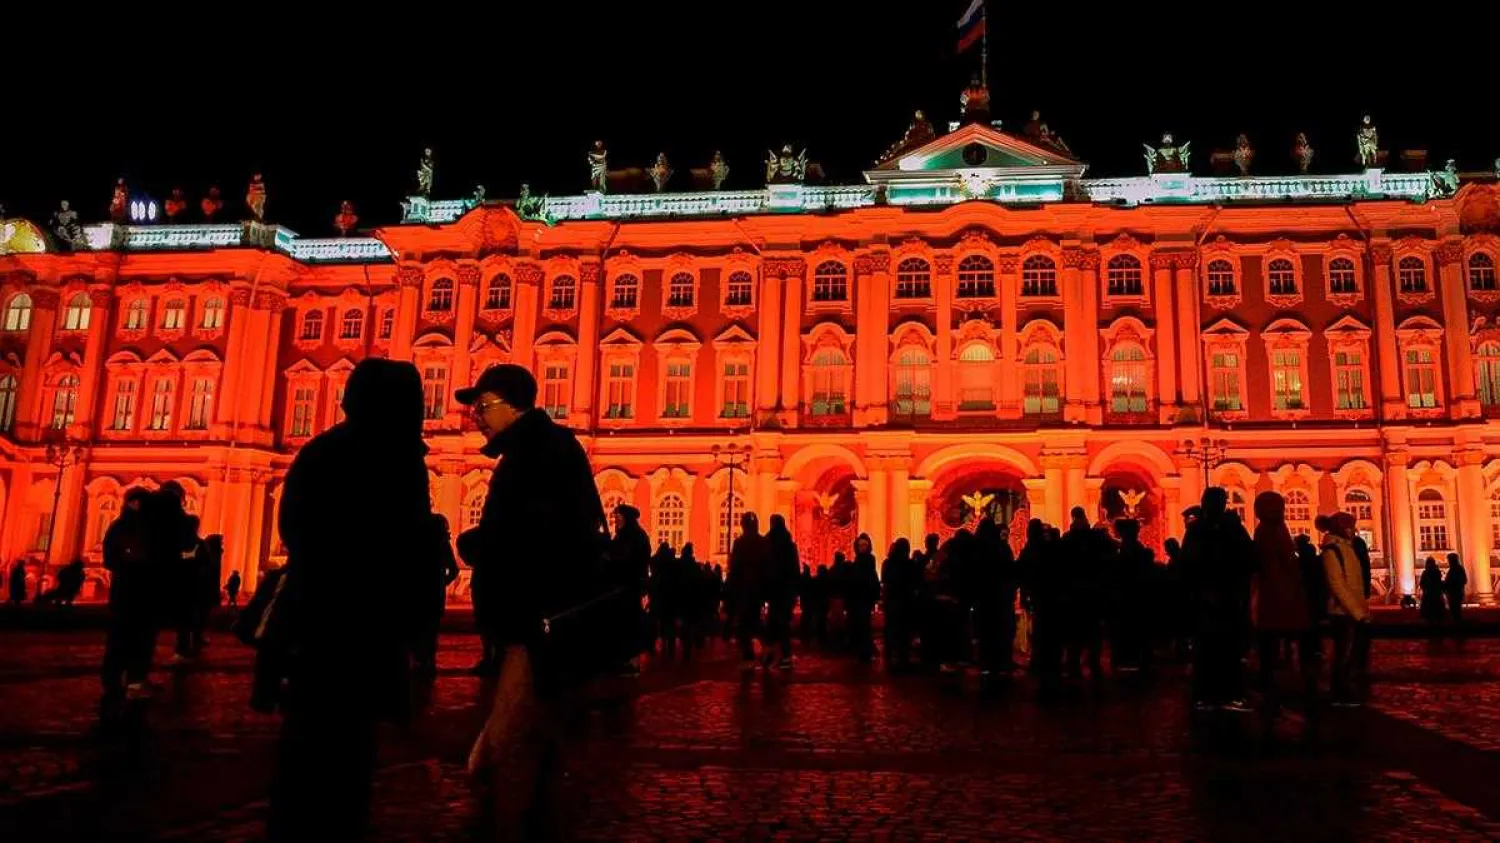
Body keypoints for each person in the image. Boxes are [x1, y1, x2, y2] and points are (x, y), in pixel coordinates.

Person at [269, 358, 436, 841]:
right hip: (366, 620)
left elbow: (294, 527)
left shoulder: (322, 450)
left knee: (309, 740)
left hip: (317, 612)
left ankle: (297, 823)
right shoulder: (397, 457)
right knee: (349, 747)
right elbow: (409, 539)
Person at [456, 363, 614, 838]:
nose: (476, 417)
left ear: (513, 405)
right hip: (542, 614)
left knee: (514, 736)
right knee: (541, 727)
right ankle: (540, 812)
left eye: (483, 406)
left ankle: (514, 818)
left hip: (538, 615)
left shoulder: (534, 452)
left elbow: (540, 532)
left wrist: (482, 544)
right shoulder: (544, 446)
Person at [1249, 492, 1318, 734]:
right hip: (1283, 595)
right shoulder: (1277, 530)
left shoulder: (1262, 531)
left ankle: (1271, 685)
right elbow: (1288, 561)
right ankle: (1299, 685)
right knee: (1293, 637)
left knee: (1270, 642)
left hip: (1270, 596)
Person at [1180, 488, 1254, 712]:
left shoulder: (1197, 531)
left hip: (1212, 598)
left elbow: (1188, 564)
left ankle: (1207, 694)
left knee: (1209, 650)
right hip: (1227, 598)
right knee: (1225, 650)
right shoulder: (1235, 530)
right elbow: (1247, 560)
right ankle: (1226, 694)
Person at [101, 487, 156, 708]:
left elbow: (110, 559)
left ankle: (119, 679)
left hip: (128, 590)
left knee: (124, 636)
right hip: (135, 590)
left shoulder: (120, 527)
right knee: (135, 637)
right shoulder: (135, 528)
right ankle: (125, 680)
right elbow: (111, 558)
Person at [1322, 512, 1369, 707]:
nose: (1353, 530)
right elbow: (1337, 583)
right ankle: (1340, 693)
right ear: (1341, 527)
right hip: (1342, 611)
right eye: (1350, 526)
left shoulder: (1346, 547)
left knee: (1349, 653)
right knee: (1343, 654)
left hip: (1351, 609)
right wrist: (1357, 612)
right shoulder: (1332, 550)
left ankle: (1345, 690)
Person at [413, 514, 460, 679]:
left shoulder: (419, 545)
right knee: (432, 628)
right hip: (436, 591)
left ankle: (422, 660)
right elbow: (454, 570)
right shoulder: (443, 545)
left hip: (420, 591)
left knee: (420, 625)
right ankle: (429, 662)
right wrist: (443, 582)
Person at [1113, 519, 1156, 675]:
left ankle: (1132, 658)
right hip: (1134, 596)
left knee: (1132, 629)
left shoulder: (1128, 550)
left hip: (1130, 596)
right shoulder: (1134, 549)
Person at [727, 512, 769, 667]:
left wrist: (731, 588)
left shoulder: (740, 543)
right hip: (758, 588)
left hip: (744, 588)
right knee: (755, 621)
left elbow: (735, 567)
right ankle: (767, 646)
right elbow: (767, 566)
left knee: (744, 623)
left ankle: (748, 656)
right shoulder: (763, 542)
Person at [764, 515, 800, 668]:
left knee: (772, 622)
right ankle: (785, 656)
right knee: (783, 624)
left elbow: (763, 567)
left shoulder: (768, 543)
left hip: (773, 589)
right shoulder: (790, 545)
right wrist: (795, 591)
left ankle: (770, 653)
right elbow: (795, 569)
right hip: (786, 591)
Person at [881, 538, 917, 670]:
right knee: (904, 631)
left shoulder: (888, 563)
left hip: (892, 600)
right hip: (905, 601)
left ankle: (889, 654)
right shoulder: (910, 564)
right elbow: (914, 581)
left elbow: (885, 580)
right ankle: (903, 657)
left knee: (891, 627)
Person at [847, 533, 880, 663]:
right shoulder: (859, 560)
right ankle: (863, 648)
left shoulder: (868, 560)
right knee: (861, 623)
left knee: (864, 623)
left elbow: (871, 578)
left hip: (863, 597)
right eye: (860, 545)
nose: (862, 547)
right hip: (859, 597)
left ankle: (864, 650)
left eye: (865, 545)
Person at [1419, 557, 1446, 633]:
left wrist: (1426, 587)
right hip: (1435, 595)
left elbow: (1422, 583)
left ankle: (1432, 628)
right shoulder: (1436, 572)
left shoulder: (1427, 572)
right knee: (1436, 612)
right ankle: (1437, 628)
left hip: (1430, 595)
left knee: (1431, 613)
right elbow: (1438, 583)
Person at [1444, 552, 1468, 637]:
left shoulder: (1457, 569)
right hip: (1454, 593)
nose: (1448, 561)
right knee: (1455, 612)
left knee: (1456, 612)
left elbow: (1463, 580)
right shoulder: (1456, 568)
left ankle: (1459, 630)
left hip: (1455, 593)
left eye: (1449, 560)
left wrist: (1448, 584)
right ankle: (1458, 629)